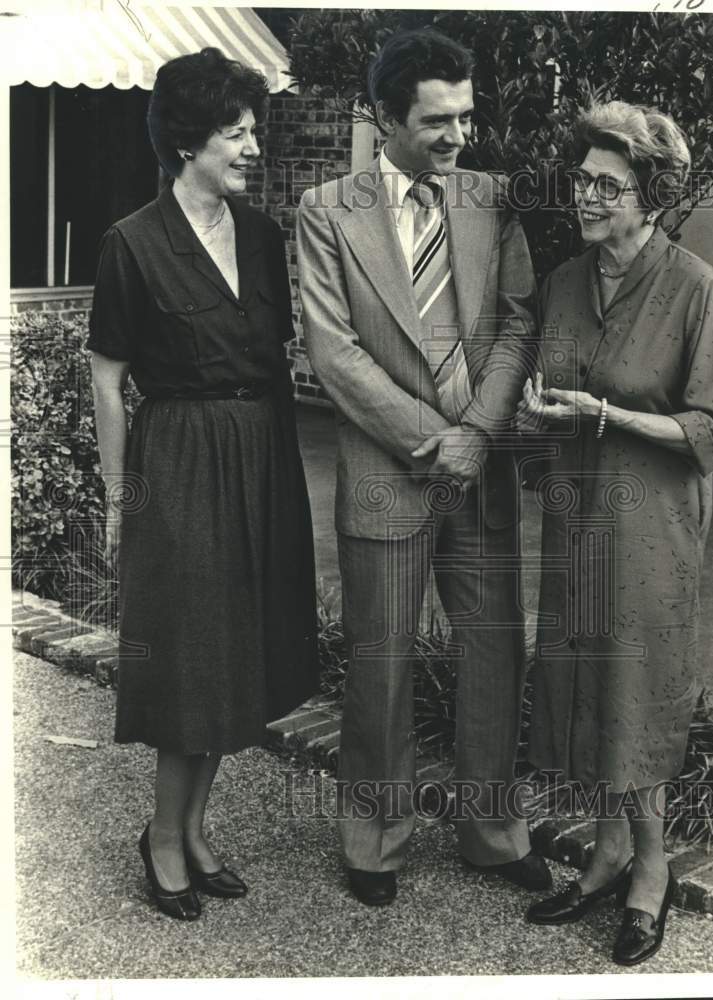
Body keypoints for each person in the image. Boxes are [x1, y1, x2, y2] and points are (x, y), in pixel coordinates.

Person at [296, 27, 548, 907]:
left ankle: (491, 832)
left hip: (481, 473)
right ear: (383, 117)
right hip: (384, 471)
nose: (455, 138)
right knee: (380, 662)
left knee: (492, 654)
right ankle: (374, 840)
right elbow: (333, 352)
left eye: (464, 118)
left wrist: (478, 432)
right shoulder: (328, 209)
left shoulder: (491, 199)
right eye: (436, 121)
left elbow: (518, 324)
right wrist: (436, 438)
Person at [88, 47, 319, 921]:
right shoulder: (132, 244)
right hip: (179, 460)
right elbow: (109, 378)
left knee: (240, 656)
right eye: (236, 132)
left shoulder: (261, 238)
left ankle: (192, 828)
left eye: (253, 130)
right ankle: (160, 833)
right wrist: (121, 499)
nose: (252, 147)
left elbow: (275, 358)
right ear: (188, 142)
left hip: (261, 453)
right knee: (191, 659)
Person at [516, 101, 713, 964]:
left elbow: (710, 432)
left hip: (651, 525)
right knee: (583, 680)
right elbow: (552, 386)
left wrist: (606, 413)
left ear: (648, 196)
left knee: (635, 689)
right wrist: (543, 414)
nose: (586, 196)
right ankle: (606, 853)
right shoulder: (567, 282)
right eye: (582, 180)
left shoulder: (695, 289)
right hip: (578, 514)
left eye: (607, 185)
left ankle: (650, 872)